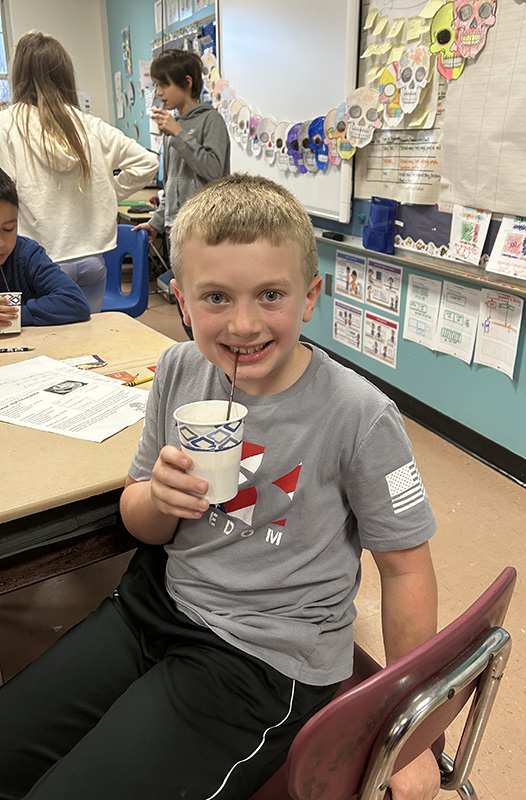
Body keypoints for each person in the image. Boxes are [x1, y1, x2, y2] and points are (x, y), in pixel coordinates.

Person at [0, 175, 440, 800]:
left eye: (269, 295)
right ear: (180, 300)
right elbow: (137, 515)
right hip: (155, 604)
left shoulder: (359, 416)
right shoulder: (179, 369)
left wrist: (410, 731)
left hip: (262, 656)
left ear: (310, 296)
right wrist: (157, 498)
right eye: (214, 297)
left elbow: (406, 570)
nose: (242, 324)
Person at [0, 31, 158, 314]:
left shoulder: (7, 125)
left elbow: (5, 193)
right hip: (92, 261)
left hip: (39, 262)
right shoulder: (88, 125)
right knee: (88, 343)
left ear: (19, 74)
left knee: (43, 346)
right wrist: (108, 192)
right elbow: (148, 163)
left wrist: (106, 192)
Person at [132, 47, 230, 338]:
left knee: (208, 303)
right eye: (157, 85)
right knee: (186, 305)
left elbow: (214, 170)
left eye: (164, 84)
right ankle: (201, 361)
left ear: (187, 83)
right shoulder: (174, 127)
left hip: (205, 228)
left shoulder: (210, 121)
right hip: (177, 229)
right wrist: (156, 222)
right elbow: (173, 185)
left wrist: (178, 133)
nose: (159, 92)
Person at [0, 168, 90, 328]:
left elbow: (75, 302)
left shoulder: (26, 254)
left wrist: (15, 315)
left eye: (9, 229)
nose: (1, 244)